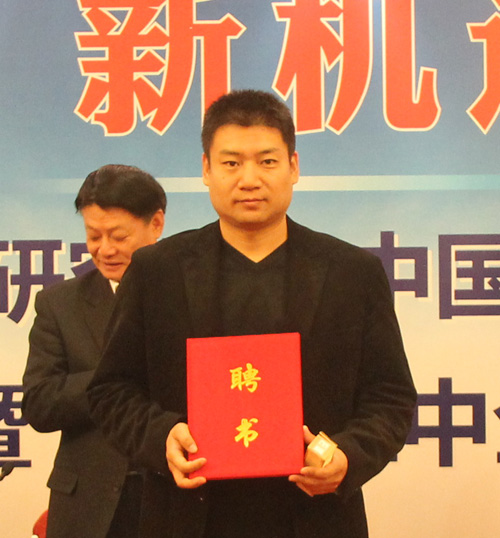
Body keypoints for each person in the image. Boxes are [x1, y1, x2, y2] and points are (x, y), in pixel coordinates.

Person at [88, 91, 417, 538]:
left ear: (293, 167)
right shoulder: (156, 271)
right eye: (231, 163)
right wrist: (161, 436)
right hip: (186, 518)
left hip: (315, 519)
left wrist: (347, 456)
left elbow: (391, 396)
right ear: (206, 169)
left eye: (267, 161)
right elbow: (111, 389)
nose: (249, 179)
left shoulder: (352, 272)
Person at [22, 164, 166, 538]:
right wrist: (114, 381)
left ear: (156, 224)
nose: (105, 249)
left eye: (118, 236)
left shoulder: (190, 296)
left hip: (174, 495)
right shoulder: (59, 304)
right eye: (93, 236)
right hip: (87, 506)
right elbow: (39, 403)